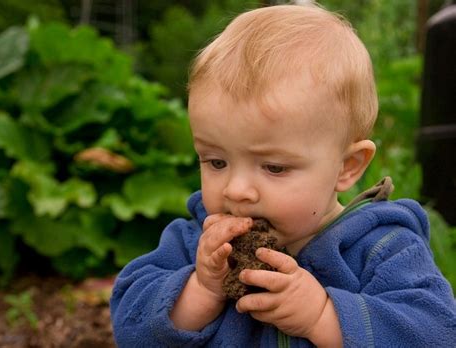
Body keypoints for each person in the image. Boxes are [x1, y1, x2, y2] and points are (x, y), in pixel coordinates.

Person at [110, 4, 456, 347]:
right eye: (216, 162)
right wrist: (198, 291)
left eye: (274, 167)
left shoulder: (381, 249)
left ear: (347, 166)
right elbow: (129, 323)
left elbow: (437, 333)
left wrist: (324, 317)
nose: (237, 190)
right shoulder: (195, 244)